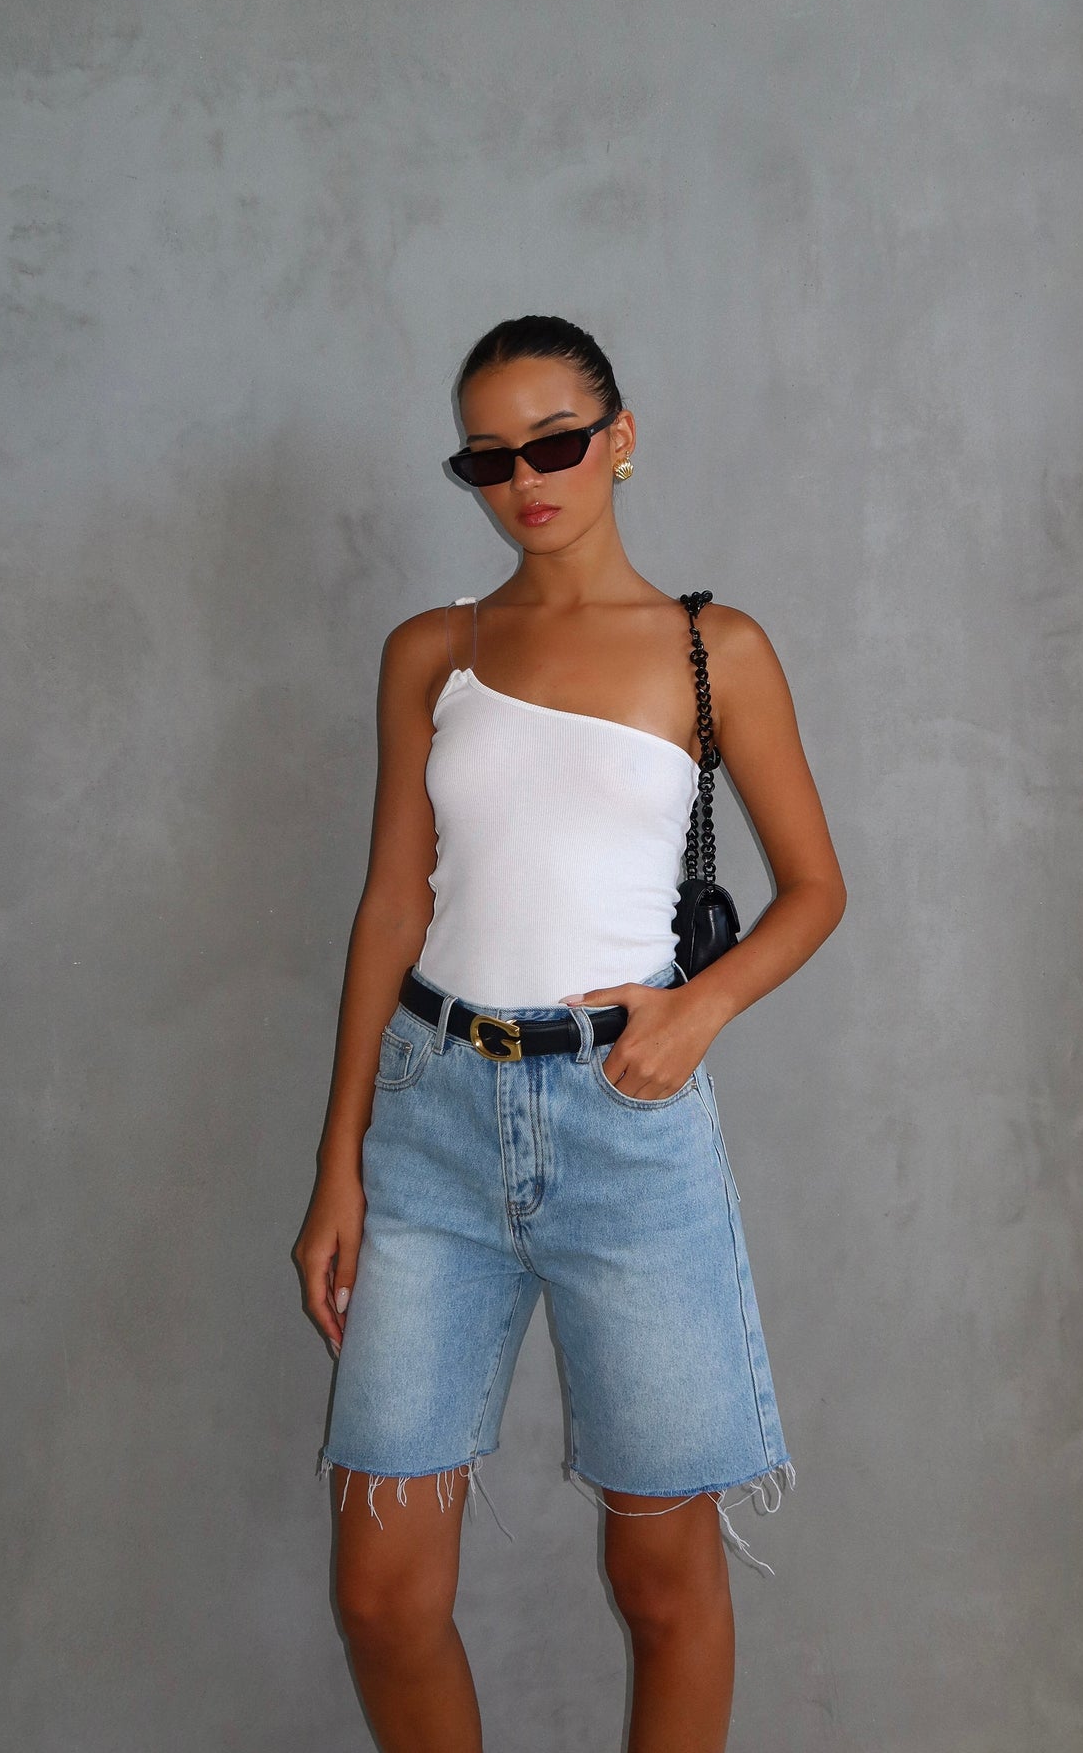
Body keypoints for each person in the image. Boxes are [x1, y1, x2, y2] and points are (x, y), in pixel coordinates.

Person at [292, 315, 846, 1753]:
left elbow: (816, 888)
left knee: (660, 1583)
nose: (524, 480)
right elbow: (389, 906)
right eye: (489, 458)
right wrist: (339, 1165)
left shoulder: (714, 649)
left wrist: (699, 1008)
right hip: (431, 1126)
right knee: (381, 1595)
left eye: (553, 443)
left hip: (624, 1131)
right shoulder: (433, 652)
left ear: (620, 437)